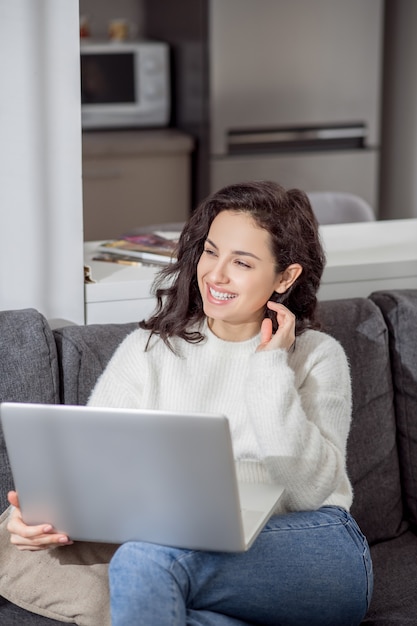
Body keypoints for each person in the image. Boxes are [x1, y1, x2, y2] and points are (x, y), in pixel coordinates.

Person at [7, 180, 373, 626]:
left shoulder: (317, 356)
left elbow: (307, 491)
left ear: (285, 277)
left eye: (241, 262)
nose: (215, 275)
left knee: (143, 564)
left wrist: (269, 366)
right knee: (167, 594)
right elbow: (94, 472)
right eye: (211, 251)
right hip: (187, 550)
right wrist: (44, 519)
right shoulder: (149, 350)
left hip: (315, 547)